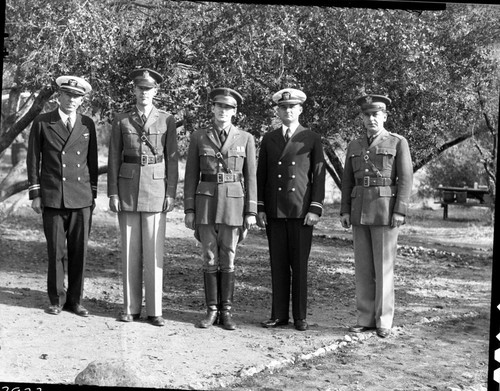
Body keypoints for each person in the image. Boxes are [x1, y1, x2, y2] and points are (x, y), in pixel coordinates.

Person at [107, 68, 179, 327]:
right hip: (127, 189)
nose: (144, 93)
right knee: (129, 251)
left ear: (155, 92)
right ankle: (130, 308)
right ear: (134, 91)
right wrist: (113, 193)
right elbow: (114, 156)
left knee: (154, 252)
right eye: (140, 89)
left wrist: (171, 193)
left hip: (156, 188)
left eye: (148, 89)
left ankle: (155, 311)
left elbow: (172, 159)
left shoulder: (167, 120)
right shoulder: (121, 120)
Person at [340, 94, 413, 338]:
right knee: (362, 268)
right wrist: (345, 210)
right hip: (359, 210)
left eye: (376, 114)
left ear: (384, 116)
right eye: (367, 115)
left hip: (384, 211)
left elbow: (405, 179)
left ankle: (383, 320)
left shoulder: (397, 142)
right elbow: (347, 180)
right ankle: (365, 317)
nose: (371, 119)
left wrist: (400, 210)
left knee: (383, 268)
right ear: (362, 118)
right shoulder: (354, 145)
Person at [184, 87, 257, 331]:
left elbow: (251, 177)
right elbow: (191, 175)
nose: (223, 111)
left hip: (234, 203)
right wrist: (189, 209)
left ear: (235, 112)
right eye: (219, 106)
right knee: (209, 255)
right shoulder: (198, 136)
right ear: (213, 109)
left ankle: (226, 311)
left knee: (229, 255)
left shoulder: (245, 138)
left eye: (228, 108)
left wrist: (251, 212)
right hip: (206, 202)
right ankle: (211, 310)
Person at [27, 75, 97, 317]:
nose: (71, 100)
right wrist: (36, 194)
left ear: (82, 100)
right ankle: (56, 299)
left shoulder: (88, 125)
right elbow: (34, 159)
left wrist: (93, 196)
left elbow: (92, 162)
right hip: (54, 195)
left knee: (79, 251)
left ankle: (75, 301)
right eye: (67, 94)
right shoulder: (43, 122)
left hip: (81, 198)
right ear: (59, 96)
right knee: (56, 251)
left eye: (76, 96)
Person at [257, 88, 326, 332]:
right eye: (283, 107)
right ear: (278, 110)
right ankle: (278, 314)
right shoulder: (269, 138)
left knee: (299, 265)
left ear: (300, 110)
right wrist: (261, 208)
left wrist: (315, 208)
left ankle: (299, 316)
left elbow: (318, 176)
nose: (288, 111)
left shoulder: (311, 137)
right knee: (277, 264)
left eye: (292, 107)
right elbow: (261, 175)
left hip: (301, 211)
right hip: (275, 211)